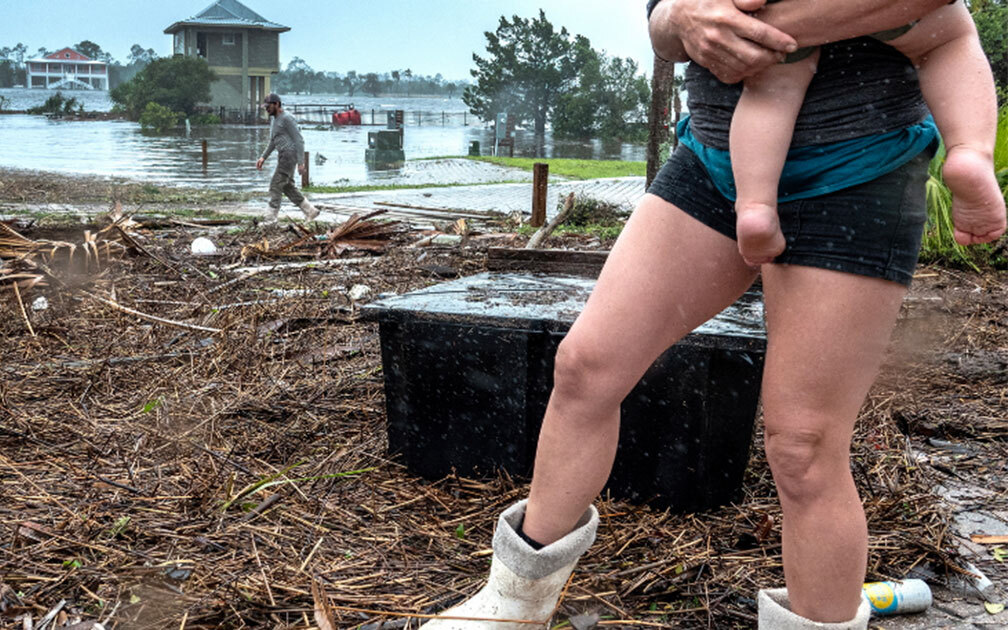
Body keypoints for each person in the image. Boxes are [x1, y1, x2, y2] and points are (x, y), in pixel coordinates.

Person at [418, 1, 1006, 629]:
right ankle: (514, 604)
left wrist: (775, 28)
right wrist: (683, 18)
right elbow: (663, 22)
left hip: (856, 173)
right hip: (715, 162)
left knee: (803, 446)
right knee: (586, 368)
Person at [730, 0, 1005, 266]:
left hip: (775, 10)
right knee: (947, 43)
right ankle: (969, 150)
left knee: (769, 94)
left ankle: (756, 205)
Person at [255, 93, 319, 223]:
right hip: (282, 154)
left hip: (289, 155)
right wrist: (263, 157)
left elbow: (299, 140)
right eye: (265, 107)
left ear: (277, 104)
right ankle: (310, 210)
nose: (266, 109)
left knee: (275, 185)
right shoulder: (274, 120)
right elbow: (273, 141)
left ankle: (270, 218)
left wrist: (301, 162)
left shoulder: (287, 118)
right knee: (287, 186)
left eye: (268, 106)